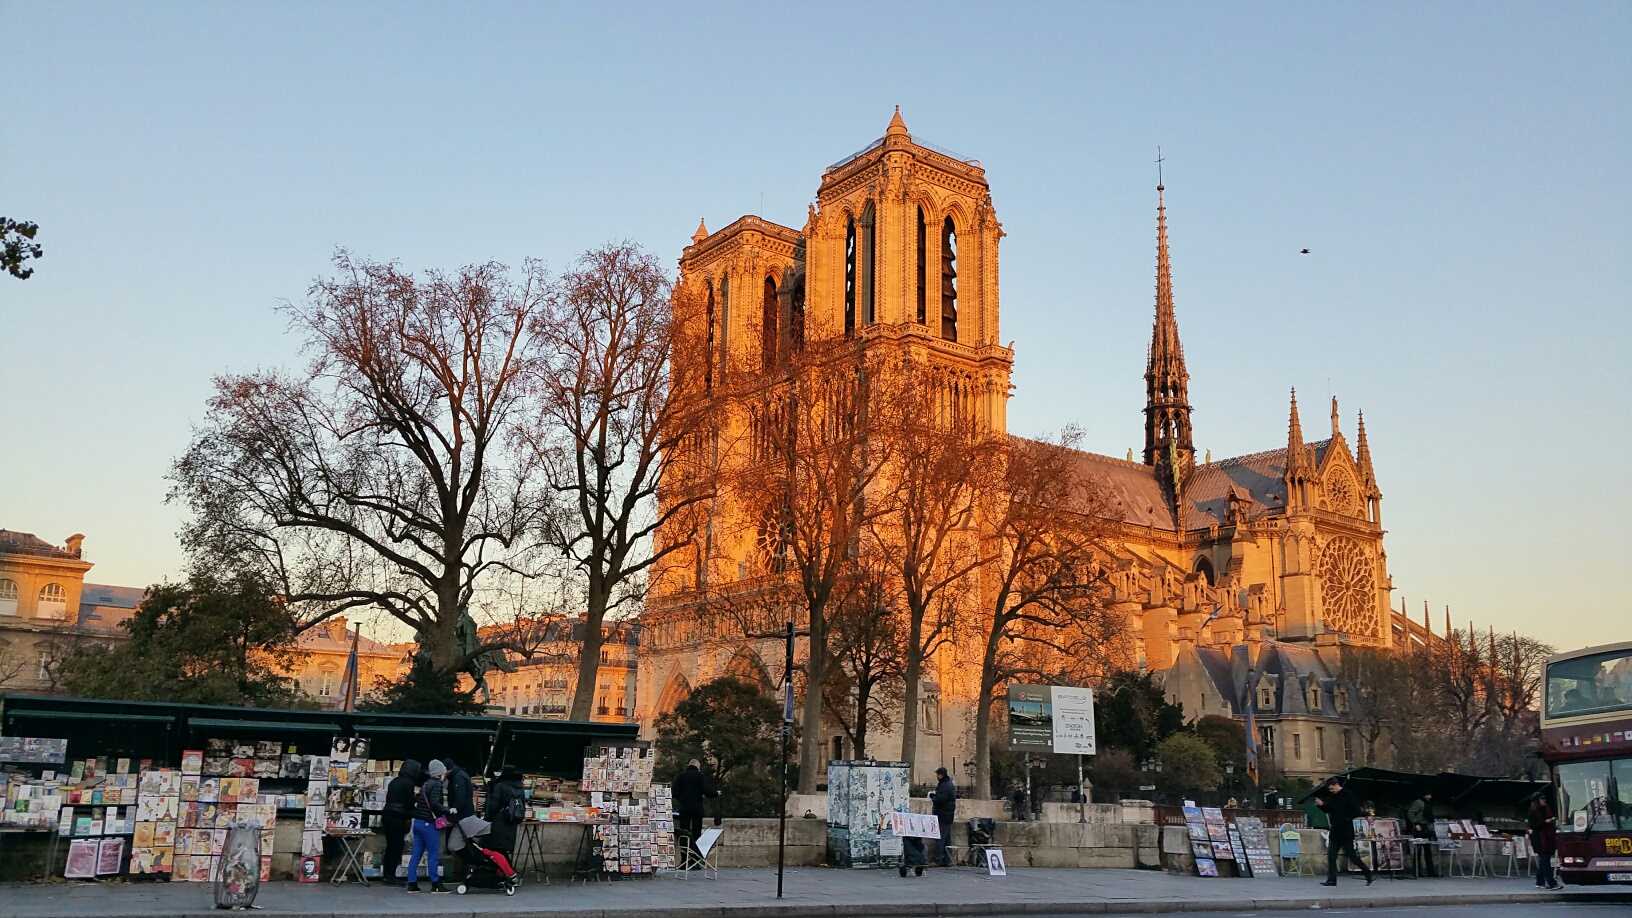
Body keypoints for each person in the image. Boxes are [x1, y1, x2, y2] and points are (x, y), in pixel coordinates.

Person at [1314, 777, 1372, 887]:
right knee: (1331, 856)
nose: (1331, 791)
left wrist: (1346, 818)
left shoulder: (1348, 794)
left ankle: (1367, 873)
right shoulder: (1333, 796)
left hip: (1346, 830)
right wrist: (1321, 805)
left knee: (1352, 856)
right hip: (1335, 830)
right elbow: (1328, 809)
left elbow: (1356, 810)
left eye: (1332, 789)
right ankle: (1331, 880)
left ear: (1336, 785)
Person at [407, 759, 450, 893]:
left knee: (416, 855)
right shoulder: (437, 785)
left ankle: (412, 884)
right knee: (432, 855)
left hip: (418, 823)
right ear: (440, 773)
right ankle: (436, 884)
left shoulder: (425, 785)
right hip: (429, 824)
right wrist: (448, 810)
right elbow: (435, 803)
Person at [380, 759, 421, 886]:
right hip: (397, 817)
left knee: (390, 846)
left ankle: (387, 875)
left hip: (387, 815)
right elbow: (408, 803)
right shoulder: (408, 783)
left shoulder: (394, 781)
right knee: (397, 847)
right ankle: (391, 876)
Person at [672, 758, 718, 864]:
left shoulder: (681, 776)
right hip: (697, 808)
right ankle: (695, 859)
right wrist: (716, 793)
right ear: (698, 766)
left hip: (684, 808)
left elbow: (674, 792)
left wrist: (683, 798)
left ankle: (684, 859)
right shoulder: (700, 776)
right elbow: (706, 790)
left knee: (684, 833)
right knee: (696, 833)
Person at [483, 765, 527, 858]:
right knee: (505, 851)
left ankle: (504, 871)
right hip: (512, 822)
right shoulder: (520, 788)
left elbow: (493, 805)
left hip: (500, 822)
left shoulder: (500, 786)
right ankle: (507, 870)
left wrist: (487, 818)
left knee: (497, 851)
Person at [440, 758, 475, 871]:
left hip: (461, 817)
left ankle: (457, 872)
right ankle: (461, 871)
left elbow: (459, 801)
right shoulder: (459, 775)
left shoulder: (458, 779)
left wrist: (451, 817)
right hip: (463, 816)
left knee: (455, 844)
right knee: (462, 843)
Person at [1528, 794, 1562, 890]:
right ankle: (1552, 883)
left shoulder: (1546, 809)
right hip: (1539, 839)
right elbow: (1534, 826)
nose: (1544, 800)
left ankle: (1540, 881)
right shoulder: (1533, 812)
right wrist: (1545, 822)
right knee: (1545, 861)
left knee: (1544, 861)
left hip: (1548, 838)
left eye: (1544, 798)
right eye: (1541, 799)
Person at [1405, 792, 1439, 877]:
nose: (1430, 796)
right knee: (1418, 851)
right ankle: (1417, 871)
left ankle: (1430, 871)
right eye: (1429, 795)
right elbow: (1410, 813)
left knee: (1428, 850)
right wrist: (1416, 823)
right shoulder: (1418, 802)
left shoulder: (1427, 803)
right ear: (1425, 795)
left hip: (1426, 826)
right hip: (1419, 827)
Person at [931, 766, 958, 867]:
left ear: (940, 775)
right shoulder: (948, 784)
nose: (936, 776)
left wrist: (933, 797)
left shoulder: (944, 786)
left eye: (937, 774)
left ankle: (937, 859)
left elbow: (941, 799)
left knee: (940, 838)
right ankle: (948, 859)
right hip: (947, 815)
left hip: (942, 815)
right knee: (947, 838)